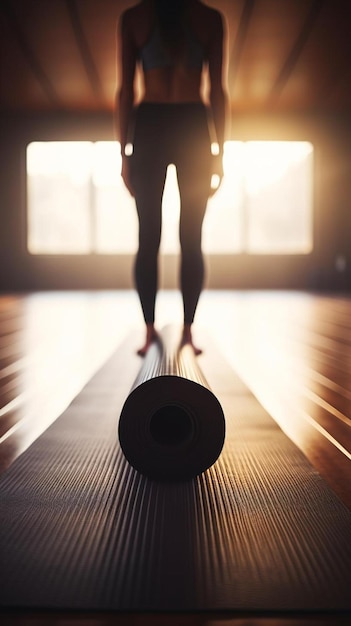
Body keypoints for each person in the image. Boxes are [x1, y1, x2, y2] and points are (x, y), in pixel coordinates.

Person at [115, 0, 228, 356]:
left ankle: (188, 329)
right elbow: (125, 89)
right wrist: (123, 153)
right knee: (148, 234)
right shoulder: (134, 18)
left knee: (190, 236)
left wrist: (220, 152)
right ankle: (149, 329)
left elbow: (218, 90)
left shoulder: (210, 19)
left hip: (191, 126)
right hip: (153, 126)